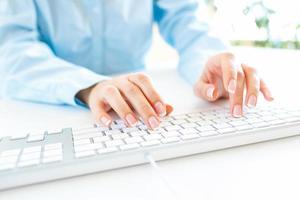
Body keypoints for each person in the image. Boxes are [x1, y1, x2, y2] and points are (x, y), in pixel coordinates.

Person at [0, 0, 273, 129]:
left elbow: (185, 22)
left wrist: (211, 64)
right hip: (48, 110)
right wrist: (91, 87)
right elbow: (13, 49)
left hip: (136, 111)